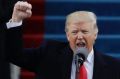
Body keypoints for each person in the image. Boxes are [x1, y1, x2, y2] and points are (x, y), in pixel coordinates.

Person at [6, 1, 120, 79]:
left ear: (95, 34)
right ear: (67, 35)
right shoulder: (49, 54)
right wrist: (16, 20)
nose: (79, 36)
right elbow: (15, 55)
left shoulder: (114, 67)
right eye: (74, 32)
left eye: (85, 31)